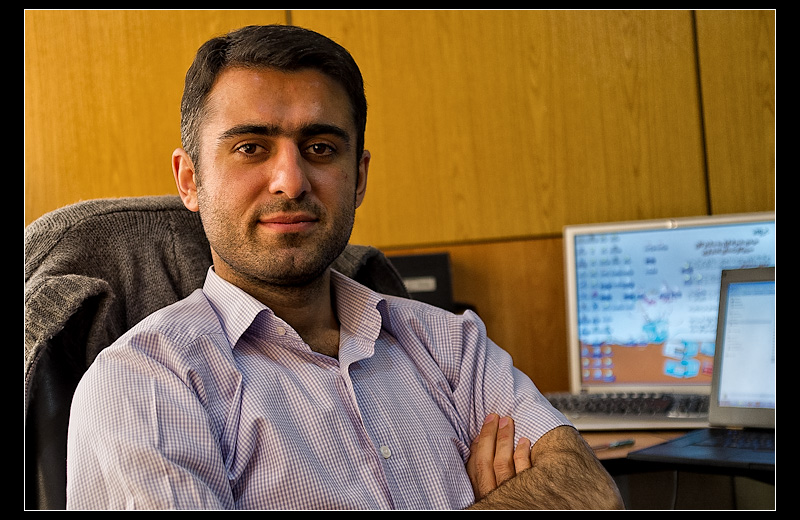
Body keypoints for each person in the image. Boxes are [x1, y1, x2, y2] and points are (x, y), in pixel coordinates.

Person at [65, 24, 623, 510]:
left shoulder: (451, 345)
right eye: (251, 148)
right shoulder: (143, 381)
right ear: (190, 180)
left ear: (358, 178)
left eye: (321, 148)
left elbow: (589, 492)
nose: (291, 182)